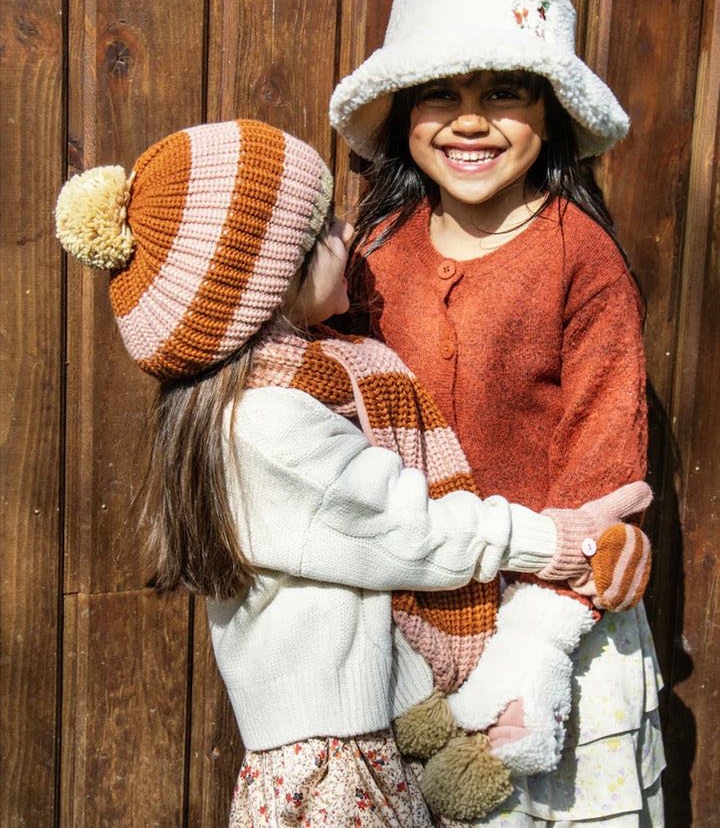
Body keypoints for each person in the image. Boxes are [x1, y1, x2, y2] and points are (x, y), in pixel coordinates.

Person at [55, 117, 652, 828]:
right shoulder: (268, 426)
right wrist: (554, 541)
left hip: (361, 741)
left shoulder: (292, 390)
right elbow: (410, 527)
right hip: (334, 766)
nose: (348, 235)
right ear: (274, 283)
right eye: (324, 229)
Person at [330, 0, 665, 826]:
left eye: (506, 92)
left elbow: (603, 466)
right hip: (404, 627)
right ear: (404, 110)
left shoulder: (581, 259)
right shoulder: (372, 256)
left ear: (550, 111)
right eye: (442, 94)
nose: (470, 122)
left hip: (546, 630)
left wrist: (540, 638)